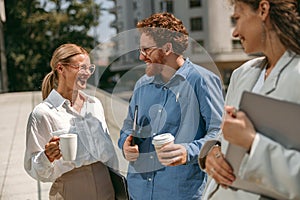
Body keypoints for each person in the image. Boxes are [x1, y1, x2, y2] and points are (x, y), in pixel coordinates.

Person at [198, 0, 300, 199]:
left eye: (237, 18)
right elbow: (223, 134)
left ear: (263, 10)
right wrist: (211, 152)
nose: (235, 32)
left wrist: (253, 143)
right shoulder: (242, 74)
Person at [118, 13, 224, 200]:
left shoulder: (202, 80)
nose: (141, 56)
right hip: (139, 192)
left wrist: (188, 151)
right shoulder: (142, 85)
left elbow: (219, 133)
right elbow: (128, 127)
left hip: (179, 193)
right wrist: (126, 143)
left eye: (146, 50)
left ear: (167, 48)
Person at [24, 43, 117, 200]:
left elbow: (110, 152)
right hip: (70, 191)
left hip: (106, 185)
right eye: (81, 67)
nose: (87, 73)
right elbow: (32, 167)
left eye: (89, 68)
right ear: (61, 69)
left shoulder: (94, 104)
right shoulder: (43, 114)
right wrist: (47, 156)